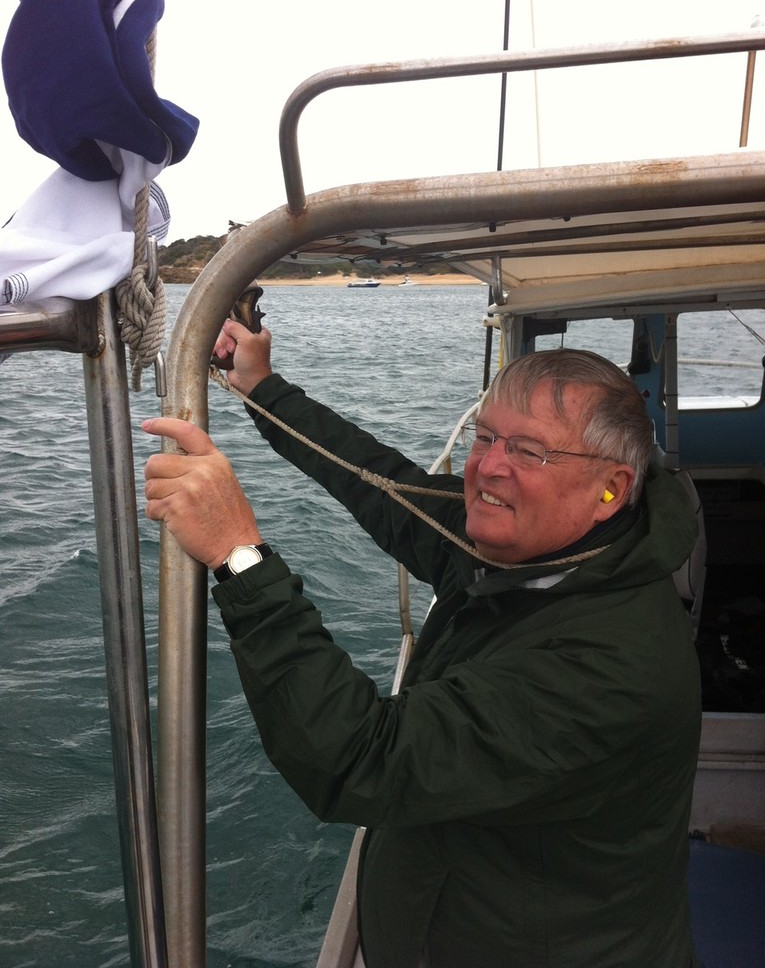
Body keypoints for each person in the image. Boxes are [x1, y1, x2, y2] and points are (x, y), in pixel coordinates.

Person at [143, 321, 702, 968]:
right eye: (485, 436)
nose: (487, 467)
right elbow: (381, 485)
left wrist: (238, 556)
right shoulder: (530, 548)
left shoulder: (610, 669)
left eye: (528, 451)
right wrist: (262, 389)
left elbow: (358, 762)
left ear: (610, 490)